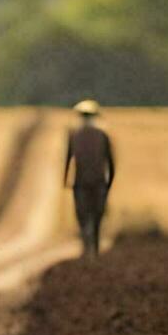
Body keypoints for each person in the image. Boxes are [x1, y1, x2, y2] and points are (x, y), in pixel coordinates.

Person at [63, 98, 115, 258]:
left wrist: (65, 179)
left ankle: (87, 245)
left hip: (81, 182)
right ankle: (94, 246)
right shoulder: (102, 135)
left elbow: (68, 159)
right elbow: (111, 162)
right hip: (98, 181)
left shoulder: (74, 135)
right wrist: (109, 182)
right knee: (97, 213)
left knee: (83, 213)